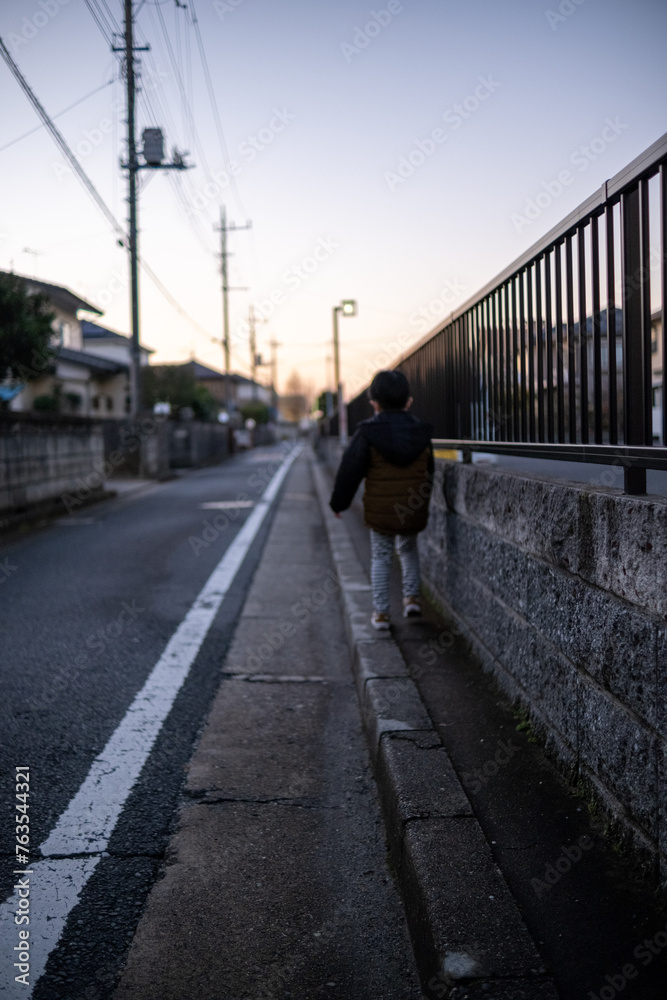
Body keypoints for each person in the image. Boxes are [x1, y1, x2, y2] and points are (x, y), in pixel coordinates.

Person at [329, 369, 434, 630]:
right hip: (412, 506)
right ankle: (411, 599)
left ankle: (382, 613)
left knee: (381, 556)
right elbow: (430, 469)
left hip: (381, 509)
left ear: (374, 402)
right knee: (409, 549)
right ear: (408, 402)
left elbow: (349, 470)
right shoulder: (422, 433)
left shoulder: (367, 433)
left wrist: (339, 504)